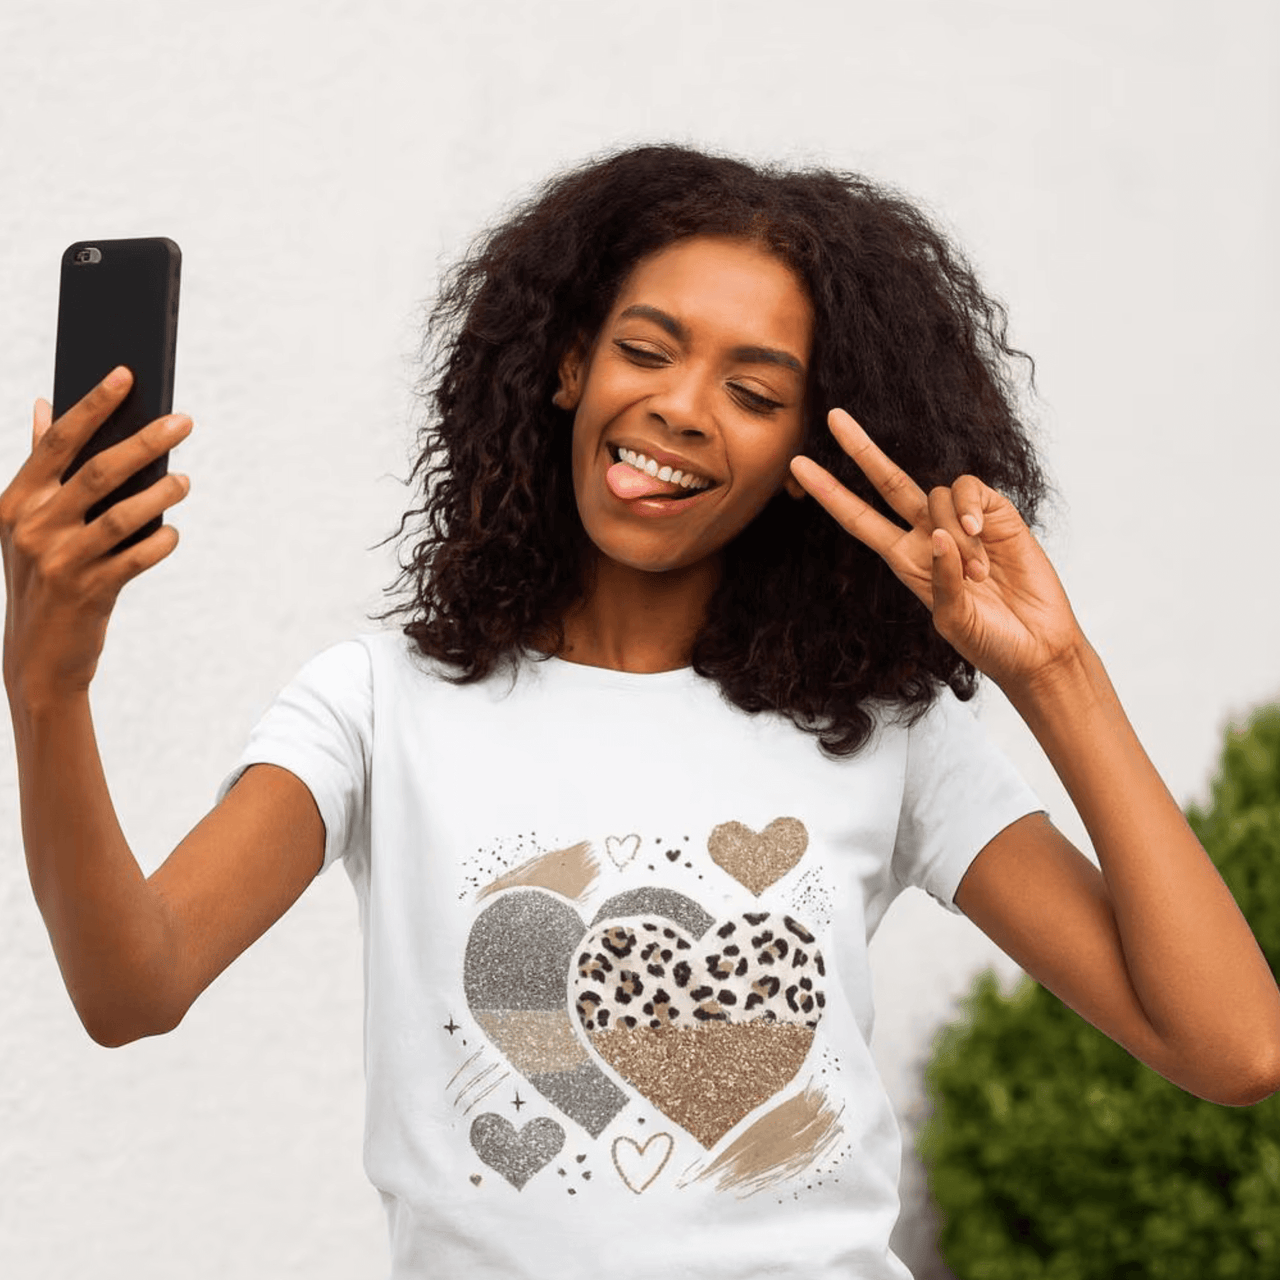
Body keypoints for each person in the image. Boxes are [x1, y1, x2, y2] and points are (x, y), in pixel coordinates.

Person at [4, 144, 1279, 1280]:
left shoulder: (876, 730)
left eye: (754, 391)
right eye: (648, 349)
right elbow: (133, 985)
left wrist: (1053, 670)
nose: (679, 406)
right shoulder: (379, 701)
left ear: (806, 457)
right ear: (570, 363)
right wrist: (47, 688)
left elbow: (1233, 1047)